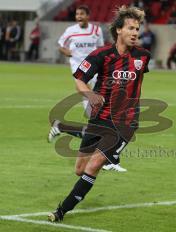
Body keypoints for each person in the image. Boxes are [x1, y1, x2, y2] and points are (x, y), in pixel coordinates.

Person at [48, 5, 150, 222]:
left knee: (94, 165)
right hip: (100, 118)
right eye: (131, 28)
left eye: (137, 29)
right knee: (80, 169)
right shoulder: (101, 55)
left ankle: (60, 211)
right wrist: (89, 95)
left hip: (126, 122)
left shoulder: (143, 56)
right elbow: (79, 78)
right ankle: (65, 128)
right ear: (119, 30)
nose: (135, 33)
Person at [48, 5, 127, 172]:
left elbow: (100, 48)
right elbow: (60, 45)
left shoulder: (96, 30)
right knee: (97, 118)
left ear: (88, 15)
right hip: (82, 76)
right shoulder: (70, 30)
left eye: (81, 14)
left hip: (97, 73)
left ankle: (61, 127)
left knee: (101, 117)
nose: (78, 16)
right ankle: (107, 159)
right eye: (77, 14)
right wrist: (66, 52)